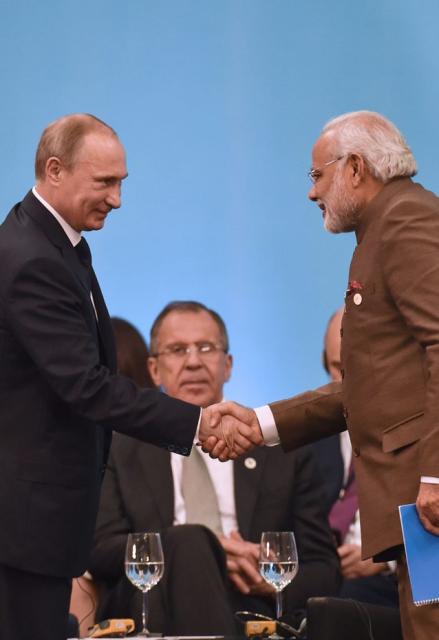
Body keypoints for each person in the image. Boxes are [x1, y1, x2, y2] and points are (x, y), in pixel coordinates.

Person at [0, 114, 242, 640]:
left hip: (38, 520)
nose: (117, 199)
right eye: (105, 182)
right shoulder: (31, 257)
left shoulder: (52, 242)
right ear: (55, 170)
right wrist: (196, 422)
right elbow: (86, 385)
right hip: (26, 521)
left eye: (121, 182)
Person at [212, 111, 439, 640]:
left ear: (355, 168)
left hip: (428, 500)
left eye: (318, 175)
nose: (312, 192)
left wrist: (436, 476)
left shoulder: (405, 221)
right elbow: (375, 385)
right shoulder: (383, 229)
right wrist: (261, 423)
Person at [89, 302, 340, 634]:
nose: (193, 362)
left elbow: (325, 568)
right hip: (151, 604)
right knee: (191, 541)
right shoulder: (122, 448)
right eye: (177, 350)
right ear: (154, 369)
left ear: (228, 365)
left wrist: (270, 579)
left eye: (206, 348)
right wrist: (201, 548)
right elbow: (100, 551)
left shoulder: (281, 452)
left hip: (250, 605)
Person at [313, 308, 398, 607]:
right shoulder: (307, 441)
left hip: (395, 583)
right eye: (338, 367)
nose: (349, 380)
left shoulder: (424, 432)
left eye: (358, 365)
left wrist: (388, 558)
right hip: (324, 580)